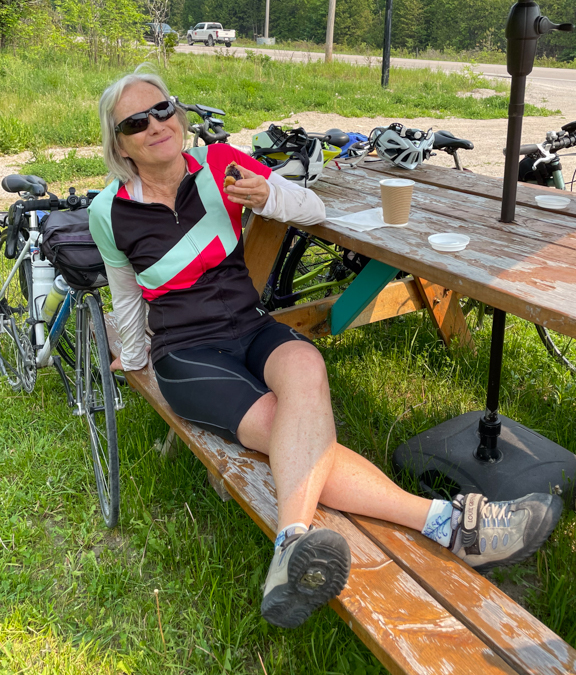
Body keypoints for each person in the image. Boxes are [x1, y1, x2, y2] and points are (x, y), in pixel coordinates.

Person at [89, 68, 563, 630]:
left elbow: (312, 208)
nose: (156, 125)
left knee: (306, 362)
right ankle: (451, 525)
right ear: (120, 143)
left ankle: (291, 544)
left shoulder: (221, 166)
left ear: (179, 113)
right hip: (186, 351)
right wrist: (135, 360)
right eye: (136, 122)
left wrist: (270, 195)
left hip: (249, 323)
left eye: (163, 109)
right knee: (280, 424)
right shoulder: (108, 211)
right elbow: (125, 297)